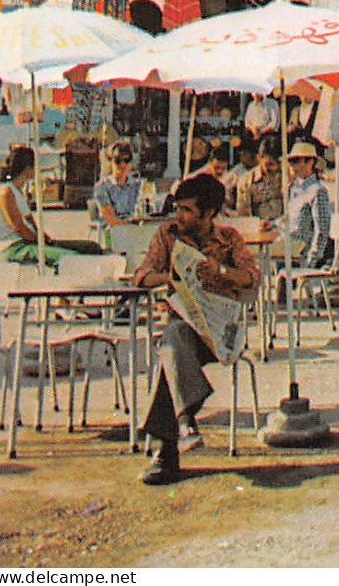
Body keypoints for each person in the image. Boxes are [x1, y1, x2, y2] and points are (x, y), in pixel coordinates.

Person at [134, 173, 259, 485]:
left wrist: (223, 272)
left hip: (221, 332)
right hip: (185, 327)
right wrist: (170, 279)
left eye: (187, 210)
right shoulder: (167, 235)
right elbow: (142, 276)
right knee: (175, 336)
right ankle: (185, 420)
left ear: (208, 214)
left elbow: (252, 278)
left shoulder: (229, 239)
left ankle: (168, 451)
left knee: (171, 348)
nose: (179, 216)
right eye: (178, 208)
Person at [0, 145, 106, 265]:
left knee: (91, 247)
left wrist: (46, 239)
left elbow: (31, 223)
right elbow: (20, 229)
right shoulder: (6, 192)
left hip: (30, 242)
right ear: (28, 168)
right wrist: (42, 242)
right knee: (72, 258)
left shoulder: (19, 191)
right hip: (16, 247)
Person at [281, 141, 333, 268]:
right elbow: (288, 219)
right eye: (291, 161)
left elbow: (322, 229)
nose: (292, 165)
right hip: (288, 244)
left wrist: (313, 258)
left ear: (310, 162)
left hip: (301, 251)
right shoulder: (295, 187)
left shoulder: (317, 191)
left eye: (296, 161)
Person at [233, 135, 285, 221]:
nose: (274, 169)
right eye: (269, 164)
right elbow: (244, 214)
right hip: (256, 227)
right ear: (259, 159)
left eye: (278, 164)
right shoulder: (246, 181)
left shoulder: (287, 177)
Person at [92, 140, 144, 225]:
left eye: (126, 160)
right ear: (111, 163)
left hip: (135, 232)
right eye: (118, 161)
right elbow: (111, 219)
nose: (122, 165)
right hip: (111, 233)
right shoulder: (101, 187)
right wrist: (133, 228)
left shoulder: (138, 185)